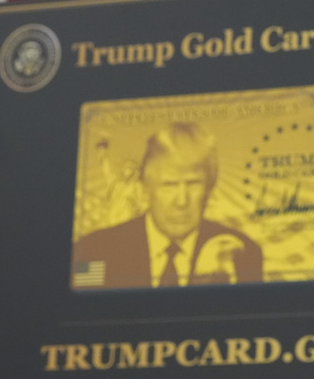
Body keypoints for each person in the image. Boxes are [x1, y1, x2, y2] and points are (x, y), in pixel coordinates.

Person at [71, 122, 263, 289]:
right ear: (145, 189)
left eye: (193, 184)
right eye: (169, 184)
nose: (182, 201)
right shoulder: (94, 250)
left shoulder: (242, 253)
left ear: (209, 189)